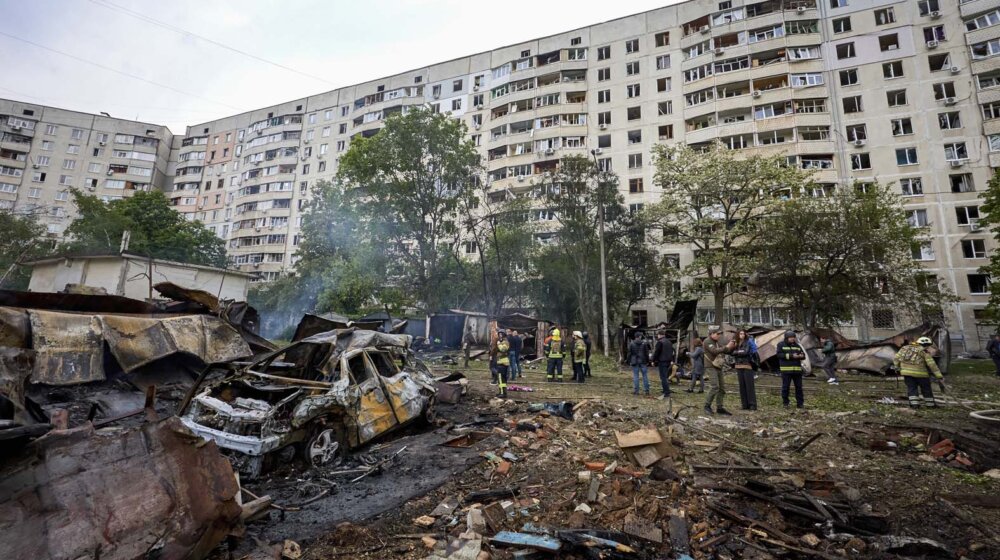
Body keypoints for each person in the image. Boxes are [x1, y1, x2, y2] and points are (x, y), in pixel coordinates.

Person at [894, 336, 946, 408]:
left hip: (907, 373)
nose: (928, 347)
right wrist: (939, 376)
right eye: (928, 345)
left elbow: (896, 358)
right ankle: (930, 405)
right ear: (926, 345)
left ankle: (914, 405)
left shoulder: (905, 348)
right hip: (921, 374)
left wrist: (897, 367)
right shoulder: (924, 352)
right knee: (926, 389)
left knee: (912, 388)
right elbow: (932, 365)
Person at [703, 326, 736, 415]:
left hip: (718, 366)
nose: (719, 336)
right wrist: (727, 347)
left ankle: (719, 407)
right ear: (712, 334)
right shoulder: (707, 341)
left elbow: (725, 350)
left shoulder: (716, 342)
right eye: (717, 334)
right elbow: (714, 351)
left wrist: (732, 346)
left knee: (722, 388)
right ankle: (707, 405)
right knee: (714, 387)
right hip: (711, 366)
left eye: (720, 334)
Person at [777, 331, 806, 409]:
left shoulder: (797, 346)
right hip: (786, 370)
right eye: (790, 338)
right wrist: (791, 356)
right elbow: (779, 355)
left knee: (799, 388)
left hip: (797, 370)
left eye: (793, 337)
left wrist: (801, 355)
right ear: (786, 338)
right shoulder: (781, 345)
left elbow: (803, 356)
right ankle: (785, 403)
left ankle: (800, 404)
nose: (792, 339)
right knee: (786, 387)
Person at [732, 329, 758, 411]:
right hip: (739, 366)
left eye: (743, 333)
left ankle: (752, 404)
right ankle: (744, 404)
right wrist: (738, 352)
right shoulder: (735, 343)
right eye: (740, 334)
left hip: (747, 365)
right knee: (742, 386)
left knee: (749, 386)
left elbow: (746, 352)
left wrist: (737, 352)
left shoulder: (748, 342)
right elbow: (731, 352)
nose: (742, 335)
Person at [652, 330, 675, 400]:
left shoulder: (660, 342)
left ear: (659, 335)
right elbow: (672, 352)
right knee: (666, 376)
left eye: (658, 335)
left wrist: (653, 360)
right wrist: (671, 360)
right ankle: (665, 390)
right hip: (668, 361)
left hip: (662, 361)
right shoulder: (669, 342)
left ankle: (666, 392)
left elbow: (657, 352)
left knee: (663, 377)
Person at [628, 331, 652, 396]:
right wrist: (648, 361)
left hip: (634, 361)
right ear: (640, 336)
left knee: (636, 376)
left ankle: (636, 391)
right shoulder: (644, 344)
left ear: (635, 337)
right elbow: (646, 353)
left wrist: (629, 361)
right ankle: (646, 391)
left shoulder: (631, 343)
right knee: (645, 376)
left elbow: (629, 353)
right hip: (643, 361)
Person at [495, 330, 510, 398]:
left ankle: (502, 393)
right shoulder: (502, 341)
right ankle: (503, 392)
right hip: (501, 363)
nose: (499, 336)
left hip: (503, 363)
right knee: (502, 380)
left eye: (501, 334)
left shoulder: (505, 342)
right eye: (499, 334)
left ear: (504, 335)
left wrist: (498, 344)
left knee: (501, 379)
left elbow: (503, 350)